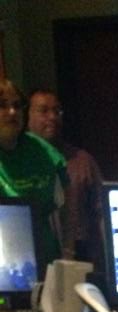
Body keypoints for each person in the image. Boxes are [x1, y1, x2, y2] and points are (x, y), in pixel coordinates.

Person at [27, 88, 105, 269]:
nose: (52, 117)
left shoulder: (82, 161)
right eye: (44, 111)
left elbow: (101, 211)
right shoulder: (18, 163)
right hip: (33, 254)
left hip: (79, 255)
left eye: (57, 111)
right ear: (28, 116)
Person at [0, 79, 66, 265]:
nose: (12, 112)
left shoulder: (42, 151)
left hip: (44, 257)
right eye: (2, 105)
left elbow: (65, 207)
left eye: (17, 106)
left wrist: (68, 253)